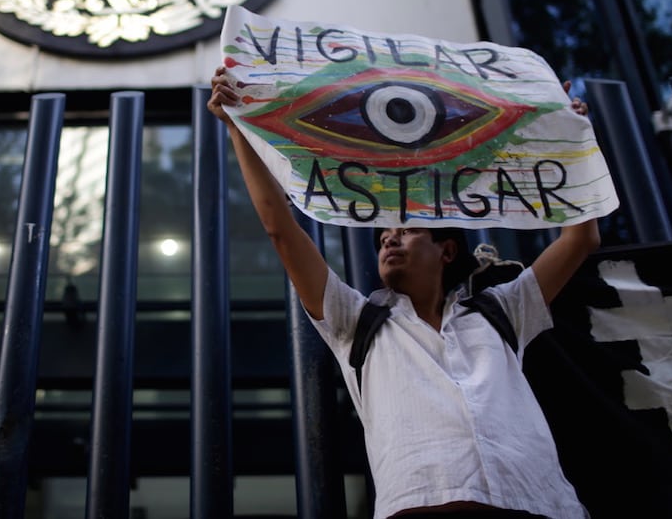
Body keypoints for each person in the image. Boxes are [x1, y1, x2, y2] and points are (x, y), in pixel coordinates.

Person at [208, 65, 600, 519]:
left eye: (407, 229)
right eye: (382, 237)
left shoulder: (503, 311)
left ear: (447, 250)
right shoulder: (356, 322)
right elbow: (279, 228)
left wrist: (572, 140)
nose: (389, 239)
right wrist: (239, 129)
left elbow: (581, 240)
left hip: (540, 506)